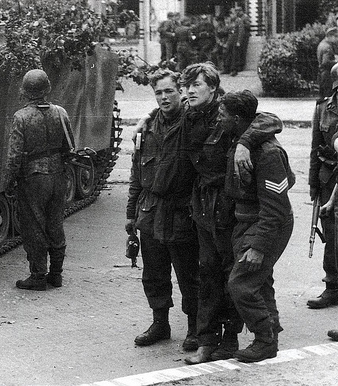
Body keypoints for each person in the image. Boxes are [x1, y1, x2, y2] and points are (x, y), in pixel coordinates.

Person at [180, 63, 283, 365]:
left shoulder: (231, 113)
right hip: (202, 207)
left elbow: (269, 119)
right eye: (186, 85)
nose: (189, 90)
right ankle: (208, 340)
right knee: (208, 273)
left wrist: (244, 143)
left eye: (196, 84)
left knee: (233, 275)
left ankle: (234, 337)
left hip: (229, 209)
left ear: (213, 87)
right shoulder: (190, 115)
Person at [126, 69, 200, 351]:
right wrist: (131, 214)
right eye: (158, 92)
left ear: (181, 91)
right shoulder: (147, 128)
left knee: (189, 274)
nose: (164, 97)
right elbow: (136, 174)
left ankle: (194, 327)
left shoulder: (193, 120)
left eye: (169, 91)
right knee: (154, 274)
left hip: (182, 212)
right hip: (151, 211)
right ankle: (160, 323)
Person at [220, 90, 295, 363]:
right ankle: (271, 327)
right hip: (247, 220)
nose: (219, 118)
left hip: (268, 224)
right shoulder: (240, 138)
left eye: (223, 114)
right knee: (258, 281)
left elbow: (275, 209)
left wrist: (259, 248)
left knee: (240, 283)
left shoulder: (268, 153)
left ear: (238, 118)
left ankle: (264, 341)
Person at [3, 69, 73, 291]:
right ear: (48, 88)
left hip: (33, 179)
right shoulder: (61, 112)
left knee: (34, 226)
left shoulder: (21, 117)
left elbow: (14, 156)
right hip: (58, 175)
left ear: (25, 91)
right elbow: (70, 145)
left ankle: (38, 276)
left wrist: (8, 182)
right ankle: (56, 275)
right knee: (55, 224)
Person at [307, 62, 338, 309]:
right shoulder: (323, 109)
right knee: (331, 235)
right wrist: (313, 184)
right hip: (329, 178)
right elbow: (315, 147)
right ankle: (332, 287)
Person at [317, 28, 338, 100]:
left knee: (323, 99)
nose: (337, 39)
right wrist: (336, 62)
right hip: (327, 75)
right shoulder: (327, 47)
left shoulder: (322, 44)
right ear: (331, 36)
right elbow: (326, 62)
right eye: (336, 37)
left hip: (322, 75)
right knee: (329, 98)